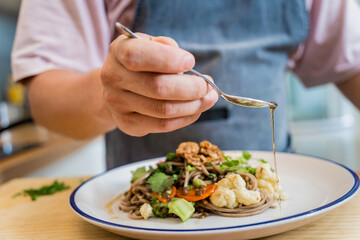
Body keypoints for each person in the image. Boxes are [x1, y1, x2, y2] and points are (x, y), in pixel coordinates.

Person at [12, 0, 360, 169]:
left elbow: (352, 65)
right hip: (149, 213)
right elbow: (45, 96)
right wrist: (108, 98)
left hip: (279, 204)